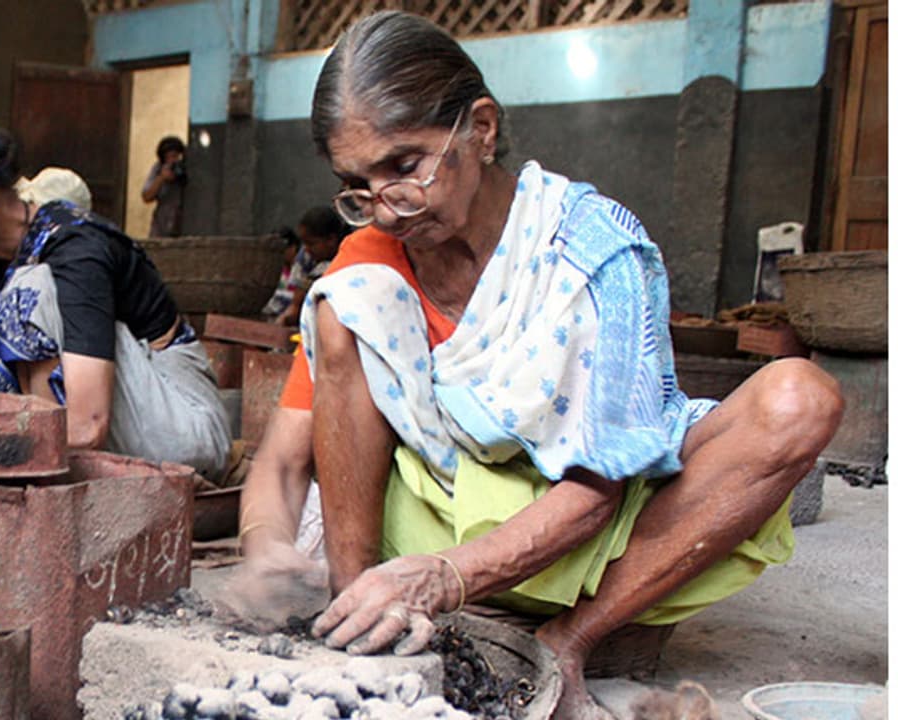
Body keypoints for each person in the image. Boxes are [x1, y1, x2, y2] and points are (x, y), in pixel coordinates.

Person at [231, 12, 843, 719]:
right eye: (358, 185)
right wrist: (266, 546)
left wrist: (448, 578)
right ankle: (362, 609)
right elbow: (281, 462)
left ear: (482, 128)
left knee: (799, 400)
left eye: (405, 167)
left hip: (582, 538)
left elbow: (597, 489)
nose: (388, 209)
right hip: (432, 523)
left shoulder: (594, 251)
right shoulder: (368, 264)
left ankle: (568, 639)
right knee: (341, 308)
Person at [0, 122, 230, 481]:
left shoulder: (75, 248)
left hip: (182, 427)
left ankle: (44, 483)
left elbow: (87, 426)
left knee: (33, 290)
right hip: (91, 437)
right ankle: (24, 466)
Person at [264, 206, 347, 327]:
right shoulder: (306, 256)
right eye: (304, 243)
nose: (306, 249)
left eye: (311, 243)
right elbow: (296, 303)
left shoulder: (346, 257)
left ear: (331, 240)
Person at [140, 135, 187, 237]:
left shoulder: (186, 167)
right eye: (168, 158)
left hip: (183, 222)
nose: (172, 161)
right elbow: (146, 196)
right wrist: (161, 178)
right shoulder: (158, 169)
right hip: (162, 224)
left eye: (175, 156)